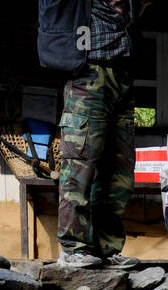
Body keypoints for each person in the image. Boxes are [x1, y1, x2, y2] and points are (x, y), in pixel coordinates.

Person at [37, 0, 146, 269]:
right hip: (88, 75)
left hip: (122, 77)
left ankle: (106, 249)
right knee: (80, 165)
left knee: (119, 171)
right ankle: (74, 247)